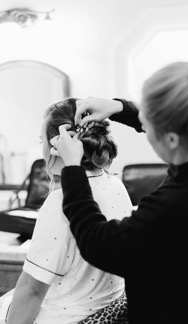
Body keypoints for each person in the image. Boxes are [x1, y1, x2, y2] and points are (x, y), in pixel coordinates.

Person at [50, 62, 188, 324]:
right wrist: (119, 107)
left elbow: (97, 243)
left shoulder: (178, 202)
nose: (144, 131)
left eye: (147, 126)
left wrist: (73, 169)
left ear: (172, 139)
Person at [0, 98, 133, 324]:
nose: (42, 150)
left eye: (42, 140)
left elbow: (31, 290)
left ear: (57, 145)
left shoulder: (61, 201)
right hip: (107, 311)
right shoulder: (115, 185)